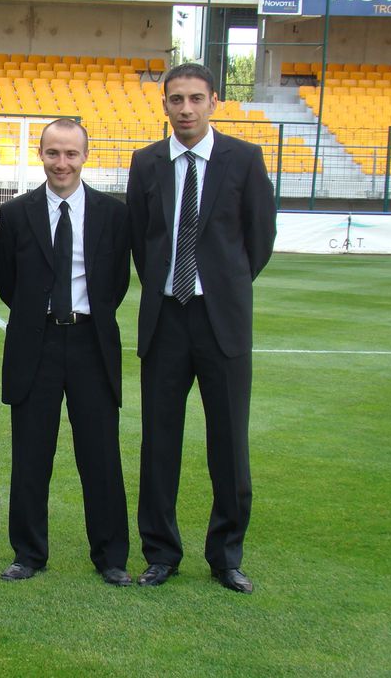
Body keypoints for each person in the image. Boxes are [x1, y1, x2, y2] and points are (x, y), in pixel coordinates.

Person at [125, 63, 276, 593]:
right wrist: (173, 287)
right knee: (159, 442)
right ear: (163, 104)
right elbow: (143, 243)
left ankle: (226, 555)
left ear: (214, 101)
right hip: (166, 320)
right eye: (175, 99)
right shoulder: (146, 163)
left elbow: (258, 241)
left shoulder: (244, 159)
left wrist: (222, 288)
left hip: (222, 324)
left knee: (229, 444)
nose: (185, 109)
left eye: (194, 98)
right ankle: (161, 552)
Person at [0, 119, 133, 586]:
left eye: (71, 153)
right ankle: (28, 553)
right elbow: (8, 283)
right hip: (35, 341)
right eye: (53, 153)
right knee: (31, 454)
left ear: (85, 155)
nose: (62, 162)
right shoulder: (15, 213)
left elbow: (115, 283)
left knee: (100, 454)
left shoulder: (113, 214)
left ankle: (111, 556)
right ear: (41, 154)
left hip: (92, 343)